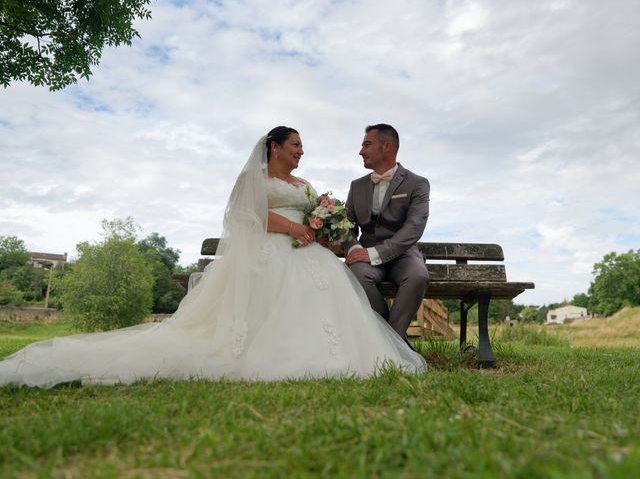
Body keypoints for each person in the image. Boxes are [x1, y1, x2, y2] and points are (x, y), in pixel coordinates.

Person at [0, 126, 426, 389]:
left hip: (310, 253)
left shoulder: (305, 182)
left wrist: (321, 227)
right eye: (295, 145)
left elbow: (321, 215)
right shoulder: (253, 179)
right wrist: (294, 227)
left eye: (301, 147)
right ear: (274, 146)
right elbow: (245, 214)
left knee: (330, 292)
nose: (300, 152)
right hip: (270, 250)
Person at [344, 124, 430, 344]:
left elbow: (414, 227)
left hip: (404, 253)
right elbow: (348, 227)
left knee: (418, 275)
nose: (361, 151)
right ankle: (390, 338)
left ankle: (391, 341)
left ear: (387, 147)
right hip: (366, 258)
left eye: (367, 144)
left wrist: (374, 253)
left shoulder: (417, 183)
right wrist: (354, 248)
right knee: (353, 274)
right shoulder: (357, 187)